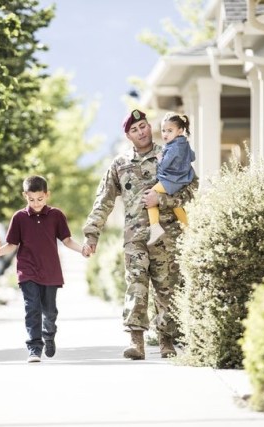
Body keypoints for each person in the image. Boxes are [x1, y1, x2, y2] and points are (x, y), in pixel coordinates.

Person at [83, 109, 197, 360]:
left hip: (167, 235)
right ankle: (137, 341)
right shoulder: (120, 164)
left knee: (166, 287)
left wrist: (163, 199)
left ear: (149, 127)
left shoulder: (169, 153)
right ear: (128, 135)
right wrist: (92, 234)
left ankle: (167, 341)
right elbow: (104, 200)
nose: (141, 132)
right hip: (135, 237)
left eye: (143, 126)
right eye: (135, 129)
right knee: (136, 284)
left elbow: (191, 189)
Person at [0, 175, 92, 363]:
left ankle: (49, 334)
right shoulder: (19, 217)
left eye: (40, 199)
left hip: (50, 272)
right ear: (25, 195)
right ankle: (34, 347)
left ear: (47, 195)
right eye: (31, 199)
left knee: (49, 312)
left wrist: (82, 249)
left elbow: (66, 240)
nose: (36, 203)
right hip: (27, 271)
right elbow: (11, 245)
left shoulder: (56, 215)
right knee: (31, 308)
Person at [147, 112, 196, 245]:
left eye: (170, 130)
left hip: (171, 181)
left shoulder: (173, 148)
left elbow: (163, 166)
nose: (165, 134)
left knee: (150, 197)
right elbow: (192, 157)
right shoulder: (184, 143)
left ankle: (155, 226)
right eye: (163, 130)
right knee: (177, 206)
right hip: (183, 179)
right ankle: (188, 228)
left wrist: (160, 158)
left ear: (180, 131)